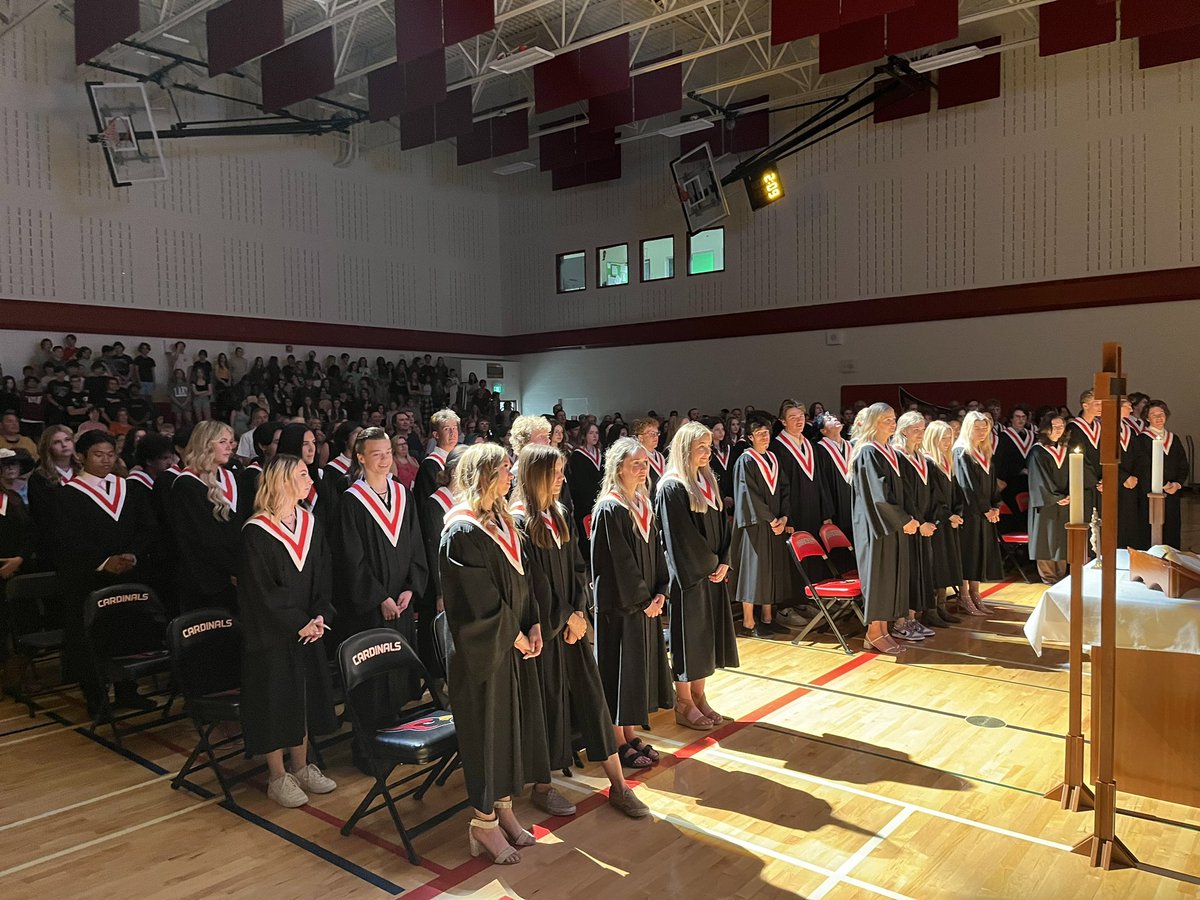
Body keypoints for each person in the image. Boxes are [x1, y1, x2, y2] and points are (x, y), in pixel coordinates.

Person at [511, 444, 648, 818]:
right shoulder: (519, 521)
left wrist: (579, 614)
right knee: (548, 707)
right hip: (544, 631)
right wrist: (564, 617)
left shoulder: (560, 513)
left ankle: (619, 785)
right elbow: (532, 582)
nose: (561, 478)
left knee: (593, 700)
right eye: (554, 472)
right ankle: (543, 785)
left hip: (570, 627)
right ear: (536, 474)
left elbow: (578, 567)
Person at [439, 443, 551, 865]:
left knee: (507, 730)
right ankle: (481, 825)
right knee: (486, 734)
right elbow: (477, 600)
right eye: (505, 470)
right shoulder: (462, 530)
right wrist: (514, 635)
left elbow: (525, 582)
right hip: (481, 653)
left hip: (510, 646)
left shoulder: (504, 521)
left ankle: (503, 811)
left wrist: (534, 622)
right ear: (484, 476)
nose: (511, 476)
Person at [240, 454, 339, 808]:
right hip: (272, 635)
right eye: (302, 474)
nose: (310, 478)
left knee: (304, 697)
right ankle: (277, 775)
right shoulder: (257, 531)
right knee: (275, 701)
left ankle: (301, 766)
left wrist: (320, 616)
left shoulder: (309, 523)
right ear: (282, 481)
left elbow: (323, 575)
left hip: (308, 631)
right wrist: (299, 621)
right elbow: (263, 590)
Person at [336, 427, 428, 772]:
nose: (385, 458)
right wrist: (378, 597)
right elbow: (351, 559)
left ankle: (394, 744)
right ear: (361, 458)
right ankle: (366, 750)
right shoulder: (352, 500)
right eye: (376, 454)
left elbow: (416, 544)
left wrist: (409, 588)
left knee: (396, 678)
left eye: (388, 452)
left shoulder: (403, 494)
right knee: (372, 682)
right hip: (372, 611)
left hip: (401, 604)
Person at [50, 430, 157, 713]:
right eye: (98, 455)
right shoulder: (67, 494)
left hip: (130, 573)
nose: (106, 460)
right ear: (81, 457)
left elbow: (147, 527)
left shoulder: (128, 488)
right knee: (93, 637)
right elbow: (66, 540)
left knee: (128, 632)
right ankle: (96, 696)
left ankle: (127, 690)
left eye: (111, 454)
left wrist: (132, 553)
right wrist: (103, 562)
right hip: (89, 577)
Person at [590, 437, 673, 770]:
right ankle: (615, 739)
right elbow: (619, 564)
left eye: (644, 462)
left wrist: (661, 591)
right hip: (621, 608)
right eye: (634, 463)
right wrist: (643, 599)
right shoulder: (610, 508)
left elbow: (656, 552)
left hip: (645, 605)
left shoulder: (641, 502)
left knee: (634, 674)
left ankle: (629, 731)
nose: (641, 469)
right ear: (617, 467)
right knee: (617, 672)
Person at [656, 422, 738, 732]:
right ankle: (684, 703)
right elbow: (680, 538)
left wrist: (725, 561)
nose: (706, 452)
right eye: (700, 447)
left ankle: (701, 697)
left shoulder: (707, 481)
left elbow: (724, 526)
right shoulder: (672, 486)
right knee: (689, 640)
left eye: (708, 447)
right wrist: (709, 564)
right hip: (689, 577)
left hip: (712, 573)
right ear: (684, 448)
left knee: (706, 639)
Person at [850, 404, 917, 655]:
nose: (892, 423)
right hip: (875, 526)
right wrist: (902, 519)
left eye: (893, 419)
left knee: (891, 577)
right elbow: (879, 496)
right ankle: (873, 632)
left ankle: (884, 629)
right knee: (878, 578)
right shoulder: (868, 452)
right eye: (887, 419)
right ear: (874, 423)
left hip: (892, 524)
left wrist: (910, 517)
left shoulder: (890, 451)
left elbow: (902, 490)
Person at [170, 421, 245, 611]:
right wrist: (233, 568)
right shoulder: (186, 484)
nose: (229, 447)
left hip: (234, 572)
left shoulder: (230, 478)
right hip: (207, 579)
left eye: (231, 442)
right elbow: (203, 536)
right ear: (206, 444)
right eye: (222, 442)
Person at [730, 411, 789, 637]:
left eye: (766, 432)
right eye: (759, 433)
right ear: (750, 437)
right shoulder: (746, 460)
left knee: (771, 571)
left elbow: (784, 489)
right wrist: (771, 518)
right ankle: (748, 622)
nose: (764, 437)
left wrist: (784, 517)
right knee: (753, 572)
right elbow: (748, 495)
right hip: (754, 526)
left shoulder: (773, 459)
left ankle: (767, 617)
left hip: (775, 524)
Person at [771, 400, 826, 612]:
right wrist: (787, 516)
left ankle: (808, 599)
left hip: (812, 511)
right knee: (792, 560)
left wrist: (825, 513)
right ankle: (790, 604)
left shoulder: (810, 445)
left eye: (801, 416)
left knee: (811, 557)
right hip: (793, 514)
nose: (799, 421)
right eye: (793, 417)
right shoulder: (777, 447)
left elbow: (820, 482)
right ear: (782, 422)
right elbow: (779, 487)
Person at [892, 412, 940, 636]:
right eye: (915, 430)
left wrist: (930, 520)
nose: (920, 434)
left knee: (919, 572)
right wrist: (919, 522)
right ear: (903, 431)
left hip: (923, 525)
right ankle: (900, 622)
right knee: (906, 574)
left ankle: (912, 618)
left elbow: (931, 493)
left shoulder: (922, 457)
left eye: (922, 430)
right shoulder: (898, 457)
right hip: (908, 526)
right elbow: (905, 496)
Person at [953, 411, 1003, 615]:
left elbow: (992, 484)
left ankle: (976, 593)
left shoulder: (985, 452)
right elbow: (967, 486)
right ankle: (964, 595)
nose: (982, 432)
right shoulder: (961, 452)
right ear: (968, 428)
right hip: (969, 512)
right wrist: (985, 509)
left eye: (985, 428)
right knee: (968, 553)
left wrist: (996, 505)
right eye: (977, 428)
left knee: (980, 553)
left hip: (984, 513)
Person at [921, 421, 964, 625]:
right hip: (936, 522)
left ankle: (941, 606)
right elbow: (934, 497)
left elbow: (956, 492)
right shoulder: (929, 462)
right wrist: (947, 516)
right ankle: (930, 610)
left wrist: (958, 512)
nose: (947, 442)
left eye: (949, 438)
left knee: (945, 565)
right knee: (935, 567)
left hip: (948, 522)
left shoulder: (948, 462)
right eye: (943, 438)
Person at [1135, 400, 1188, 549]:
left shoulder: (1173, 439)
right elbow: (1144, 467)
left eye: (1161, 414)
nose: (1159, 418)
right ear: (1147, 418)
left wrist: (1177, 484)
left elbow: (1183, 464)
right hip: (1150, 493)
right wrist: (1163, 483)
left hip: (1171, 493)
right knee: (1151, 528)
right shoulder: (1142, 440)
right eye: (1154, 415)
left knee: (1171, 528)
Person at [1027, 414, 1071, 584]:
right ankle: (1048, 577)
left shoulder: (1066, 449)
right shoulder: (1037, 451)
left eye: (1062, 426)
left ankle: (1061, 575)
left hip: (1065, 501)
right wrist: (1056, 497)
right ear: (1046, 428)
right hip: (1045, 503)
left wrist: (1070, 494)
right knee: (1045, 538)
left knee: (1061, 537)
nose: (1059, 429)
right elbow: (1039, 479)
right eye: (1055, 426)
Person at [277, 423, 339, 532]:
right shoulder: (276, 480)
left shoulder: (322, 477)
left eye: (314, 443)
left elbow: (333, 516)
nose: (312, 449)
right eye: (305, 444)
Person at [814, 411, 854, 543]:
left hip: (854, 505)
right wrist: (826, 513)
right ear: (823, 430)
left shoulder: (851, 446)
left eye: (834, 417)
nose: (834, 418)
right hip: (835, 506)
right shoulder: (819, 450)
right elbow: (821, 484)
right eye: (829, 419)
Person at [995, 406, 1034, 533]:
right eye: (1017, 417)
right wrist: (1017, 470)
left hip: (1029, 481)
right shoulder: (1004, 437)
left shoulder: (1032, 436)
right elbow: (1001, 461)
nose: (1020, 420)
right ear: (1011, 419)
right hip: (1010, 481)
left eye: (1023, 417)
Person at [565, 422, 604, 550]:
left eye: (596, 433)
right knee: (586, 532)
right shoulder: (578, 454)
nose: (595, 436)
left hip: (599, 498)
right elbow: (578, 481)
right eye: (591, 433)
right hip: (584, 501)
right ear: (584, 435)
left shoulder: (600, 453)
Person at [1066, 390, 1102, 522]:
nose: (1101, 407)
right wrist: (1095, 481)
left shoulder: (1099, 427)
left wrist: (1104, 478)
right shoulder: (1074, 428)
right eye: (1097, 404)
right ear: (1085, 405)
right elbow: (1078, 457)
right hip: (1084, 483)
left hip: (1100, 482)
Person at [632, 417, 665, 493]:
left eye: (657, 433)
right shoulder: (637, 458)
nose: (655, 437)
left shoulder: (660, 456)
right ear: (641, 437)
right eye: (651, 434)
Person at [708, 419, 734, 510]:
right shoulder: (707, 452)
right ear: (710, 431)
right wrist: (722, 496)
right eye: (717, 430)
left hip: (732, 495)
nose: (721, 432)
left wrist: (731, 494)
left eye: (722, 429)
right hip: (717, 495)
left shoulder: (729, 448)